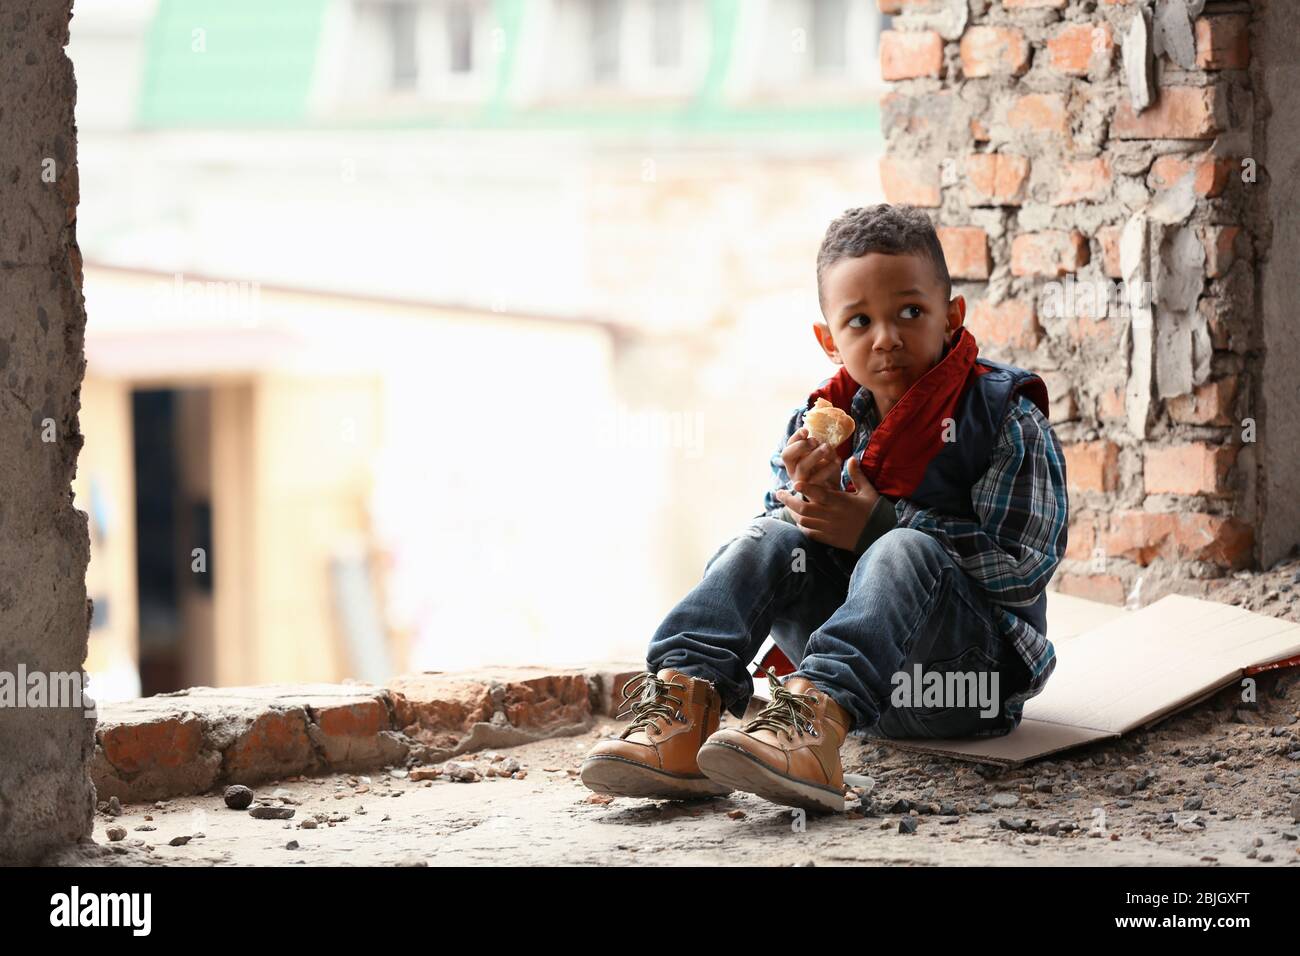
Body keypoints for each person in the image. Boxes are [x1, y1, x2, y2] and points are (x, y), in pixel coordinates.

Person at [580, 204, 1069, 812]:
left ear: (953, 315)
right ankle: (683, 712)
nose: (886, 337)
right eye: (859, 321)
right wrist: (804, 502)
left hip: (960, 687)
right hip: (863, 696)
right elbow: (772, 555)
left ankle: (811, 731)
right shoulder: (815, 422)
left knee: (901, 547)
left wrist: (878, 525)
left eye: (910, 312)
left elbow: (1026, 569)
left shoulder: (1004, 419)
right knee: (766, 537)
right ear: (829, 340)